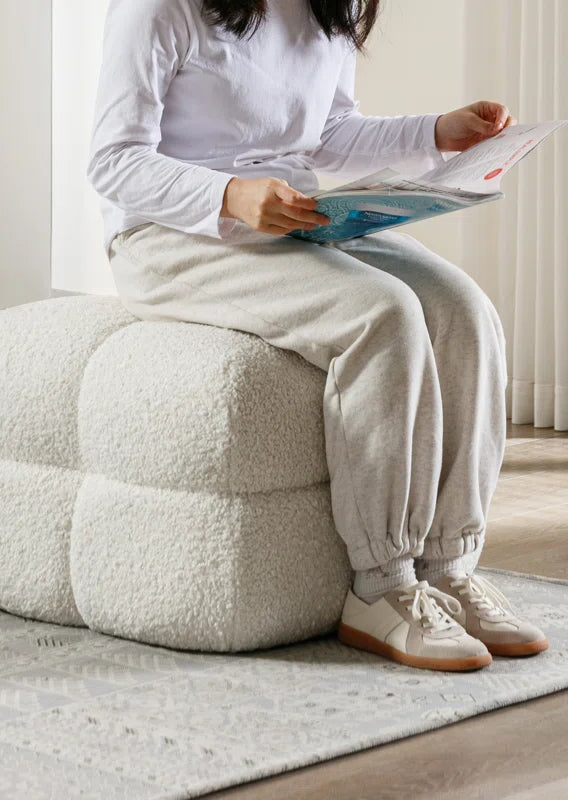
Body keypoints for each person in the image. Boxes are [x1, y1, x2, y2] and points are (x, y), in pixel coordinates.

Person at [87, 0, 549, 671]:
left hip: (292, 219)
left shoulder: (329, 5)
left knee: (464, 310)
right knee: (382, 314)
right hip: (169, 236)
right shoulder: (158, 8)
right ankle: (382, 585)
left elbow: (326, 132)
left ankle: (448, 565)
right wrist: (228, 195)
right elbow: (113, 161)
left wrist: (437, 133)